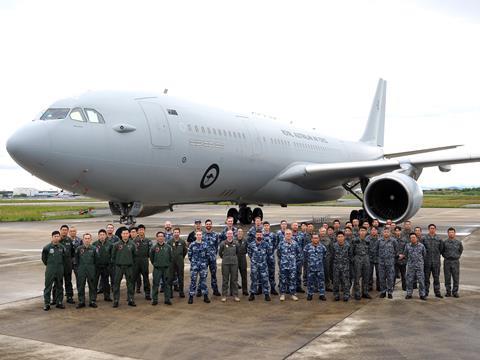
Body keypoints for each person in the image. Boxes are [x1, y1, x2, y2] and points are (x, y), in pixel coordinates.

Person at [111, 228, 136, 307]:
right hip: (119, 267)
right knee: (116, 284)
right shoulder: (116, 245)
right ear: (121, 235)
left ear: (129, 234)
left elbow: (134, 256)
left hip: (129, 267)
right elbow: (113, 256)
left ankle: (131, 299)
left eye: (126, 233)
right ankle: (116, 300)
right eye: (123, 234)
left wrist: (131, 263)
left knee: (130, 284)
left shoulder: (132, 244)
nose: (125, 235)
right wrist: (117, 264)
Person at [42, 231, 66, 310]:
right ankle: (47, 303)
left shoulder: (62, 248)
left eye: (57, 236)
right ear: (52, 237)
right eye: (55, 236)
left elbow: (64, 258)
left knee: (59, 286)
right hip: (50, 269)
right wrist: (50, 265)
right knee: (48, 286)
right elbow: (44, 259)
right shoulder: (47, 248)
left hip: (59, 269)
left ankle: (59, 302)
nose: (56, 238)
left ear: (59, 237)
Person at [247, 230, 272, 301]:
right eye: (257, 235)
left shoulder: (266, 244)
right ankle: (252, 294)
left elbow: (269, 253)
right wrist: (254, 260)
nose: (259, 236)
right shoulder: (251, 244)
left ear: (262, 235)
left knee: (265, 279)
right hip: (254, 265)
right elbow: (250, 253)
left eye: (260, 235)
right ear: (255, 235)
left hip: (263, 265)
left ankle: (266, 294)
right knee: (254, 279)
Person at [53, 225, 75, 304]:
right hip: (58, 265)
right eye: (63, 230)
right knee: (57, 282)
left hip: (67, 265)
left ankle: (69, 297)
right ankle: (55, 298)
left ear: (68, 231)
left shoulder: (69, 240)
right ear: (60, 230)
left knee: (68, 281)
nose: (64, 231)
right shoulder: (56, 240)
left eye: (66, 230)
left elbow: (72, 253)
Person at [75, 233, 98, 308]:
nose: (87, 240)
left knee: (92, 286)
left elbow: (97, 260)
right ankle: (81, 301)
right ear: (83, 239)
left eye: (88, 238)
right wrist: (79, 269)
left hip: (91, 270)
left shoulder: (94, 249)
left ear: (91, 239)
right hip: (81, 270)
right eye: (85, 238)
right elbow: (76, 260)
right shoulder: (79, 249)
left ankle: (92, 300)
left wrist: (93, 269)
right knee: (81, 286)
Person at [150, 231, 173, 305]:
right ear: (157, 238)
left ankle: (167, 299)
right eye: (159, 236)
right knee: (155, 284)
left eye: (162, 236)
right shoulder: (153, 248)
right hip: (157, 269)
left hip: (166, 269)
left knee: (167, 284)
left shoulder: (168, 247)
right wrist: (156, 264)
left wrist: (167, 264)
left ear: (164, 237)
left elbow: (170, 257)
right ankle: (155, 299)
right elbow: (151, 258)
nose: (160, 237)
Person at [277, 229, 300, 301]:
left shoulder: (295, 243)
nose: (288, 235)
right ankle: (282, 294)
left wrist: (293, 260)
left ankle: (292, 294)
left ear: (292, 234)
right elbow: (279, 253)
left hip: (292, 265)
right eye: (287, 234)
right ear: (284, 235)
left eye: (290, 234)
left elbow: (298, 253)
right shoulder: (281, 243)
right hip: (283, 265)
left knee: (292, 279)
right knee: (283, 279)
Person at [187, 231, 210, 304]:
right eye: (197, 235)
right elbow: (190, 255)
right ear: (195, 236)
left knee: (203, 281)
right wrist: (194, 262)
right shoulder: (192, 245)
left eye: (200, 235)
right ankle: (191, 296)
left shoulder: (205, 244)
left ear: (202, 236)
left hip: (203, 265)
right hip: (194, 265)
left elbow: (207, 255)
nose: (199, 236)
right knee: (193, 281)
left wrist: (204, 263)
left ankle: (205, 296)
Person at [303, 234, 327, 301]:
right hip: (311, 268)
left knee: (321, 281)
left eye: (316, 238)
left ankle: (322, 294)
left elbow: (325, 256)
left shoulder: (322, 247)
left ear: (319, 239)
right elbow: (305, 256)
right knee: (310, 281)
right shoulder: (307, 247)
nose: (315, 239)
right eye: (314, 238)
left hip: (320, 268)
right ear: (311, 239)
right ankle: (310, 294)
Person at [423, 224, 444, 298]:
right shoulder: (424, 238)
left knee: (436, 278)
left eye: (433, 228)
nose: (432, 229)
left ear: (435, 229)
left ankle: (437, 292)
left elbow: (441, 249)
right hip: (427, 262)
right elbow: (423, 250)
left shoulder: (439, 239)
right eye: (431, 228)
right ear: (429, 229)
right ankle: (425, 292)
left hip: (436, 262)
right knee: (426, 278)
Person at [404, 233, 427, 300]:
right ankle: (409, 293)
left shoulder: (421, 246)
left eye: (414, 237)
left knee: (421, 281)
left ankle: (422, 294)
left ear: (416, 238)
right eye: (411, 237)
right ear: (410, 239)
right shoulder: (407, 246)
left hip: (419, 266)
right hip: (410, 266)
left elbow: (424, 255)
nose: (413, 239)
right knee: (409, 281)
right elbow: (405, 254)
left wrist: (420, 262)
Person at [377, 228, 398, 299]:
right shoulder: (379, 240)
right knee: (382, 278)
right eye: (385, 232)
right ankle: (383, 292)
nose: (386, 233)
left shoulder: (393, 241)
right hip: (381, 263)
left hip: (390, 263)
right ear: (383, 233)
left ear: (390, 233)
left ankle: (389, 292)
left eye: (387, 232)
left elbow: (396, 250)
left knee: (390, 278)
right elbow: (376, 250)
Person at [218, 230, 240, 302]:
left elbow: (237, 252)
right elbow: (220, 253)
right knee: (225, 280)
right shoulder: (223, 243)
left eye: (231, 234)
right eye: (228, 234)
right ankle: (224, 295)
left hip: (234, 263)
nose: (230, 235)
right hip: (225, 264)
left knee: (234, 280)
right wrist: (225, 258)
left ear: (232, 235)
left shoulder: (236, 243)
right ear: (226, 235)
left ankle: (235, 295)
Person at [442, 227, 463, 297]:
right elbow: (442, 251)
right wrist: (446, 256)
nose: (451, 233)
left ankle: (455, 292)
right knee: (447, 277)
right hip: (447, 261)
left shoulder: (458, 242)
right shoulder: (444, 242)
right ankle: (448, 292)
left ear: (454, 233)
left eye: (452, 232)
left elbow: (461, 250)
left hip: (455, 262)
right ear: (448, 233)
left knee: (456, 277)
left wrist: (457, 256)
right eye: (450, 232)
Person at [93, 229, 113, 302]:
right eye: (100, 235)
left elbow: (112, 255)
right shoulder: (94, 244)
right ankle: (93, 297)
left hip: (106, 266)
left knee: (106, 282)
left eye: (103, 235)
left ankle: (107, 296)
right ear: (98, 236)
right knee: (94, 282)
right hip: (97, 267)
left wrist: (109, 264)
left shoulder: (110, 244)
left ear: (106, 236)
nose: (102, 236)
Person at [133, 224, 152, 300]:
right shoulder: (133, 241)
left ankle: (147, 294)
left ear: (144, 231)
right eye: (140, 230)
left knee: (146, 278)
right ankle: (131, 295)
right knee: (133, 279)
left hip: (144, 261)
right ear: (137, 232)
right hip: (136, 261)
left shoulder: (148, 241)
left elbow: (151, 252)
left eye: (142, 230)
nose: (141, 231)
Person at [168, 227, 188, 298]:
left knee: (180, 277)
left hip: (180, 262)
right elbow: (167, 252)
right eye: (175, 232)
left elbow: (185, 252)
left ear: (179, 233)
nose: (176, 234)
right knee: (170, 277)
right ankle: (170, 292)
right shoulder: (169, 242)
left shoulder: (182, 242)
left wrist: (180, 257)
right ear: (173, 233)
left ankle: (181, 292)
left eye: (177, 232)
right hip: (171, 262)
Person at [332, 231, 352, 301]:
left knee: (346, 281)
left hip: (345, 266)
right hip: (336, 266)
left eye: (341, 237)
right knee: (336, 281)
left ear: (344, 237)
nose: (340, 238)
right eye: (339, 237)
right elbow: (332, 256)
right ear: (336, 238)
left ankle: (346, 295)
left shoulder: (348, 245)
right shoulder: (334, 245)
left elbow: (350, 255)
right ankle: (336, 295)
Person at [352, 227, 371, 300]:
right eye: (361, 231)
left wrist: (367, 258)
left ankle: (365, 292)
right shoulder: (355, 240)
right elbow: (351, 251)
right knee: (357, 277)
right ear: (359, 232)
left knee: (366, 277)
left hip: (366, 259)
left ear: (366, 232)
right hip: (358, 259)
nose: (362, 232)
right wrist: (354, 259)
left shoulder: (368, 241)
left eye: (364, 231)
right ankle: (357, 293)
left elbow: (370, 250)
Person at [203, 219, 221, 296]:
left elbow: (217, 246)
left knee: (213, 274)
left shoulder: (215, 235)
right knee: (203, 275)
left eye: (209, 224)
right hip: (204, 259)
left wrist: (213, 254)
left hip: (212, 258)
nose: (208, 225)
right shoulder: (202, 234)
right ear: (205, 225)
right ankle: (202, 290)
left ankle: (215, 290)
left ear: (211, 225)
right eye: (207, 224)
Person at [262, 221, 279, 295]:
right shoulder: (261, 235)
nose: (266, 227)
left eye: (267, 225)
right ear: (263, 227)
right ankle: (260, 288)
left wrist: (271, 251)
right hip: (262, 257)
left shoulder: (273, 235)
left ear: (269, 226)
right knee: (262, 273)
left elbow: (276, 244)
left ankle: (272, 288)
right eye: (265, 225)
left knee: (271, 273)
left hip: (271, 257)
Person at [291, 222, 305, 293]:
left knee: (299, 273)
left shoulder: (301, 234)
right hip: (290, 258)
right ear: (291, 226)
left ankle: (298, 287)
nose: (295, 226)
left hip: (299, 257)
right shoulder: (288, 234)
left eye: (296, 225)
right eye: (294, 225)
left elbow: (303, 245)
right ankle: (291, 287)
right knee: (291, 273)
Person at [393, 226, 407, 291]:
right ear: (395, 232)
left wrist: (403, 255)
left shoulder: (404, 239)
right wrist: (398, 255)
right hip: (395, 260)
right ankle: (392, 287)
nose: (397, 232)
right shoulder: (392, 240)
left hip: (403, 260)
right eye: (396, 230)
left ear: (400, 231)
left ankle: (404, 287)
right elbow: (391, 249)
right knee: (394, 275)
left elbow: (407, 248)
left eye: (398, 230)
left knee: (404, 275)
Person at [236, 228, 249, 296]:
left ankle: (245, 290)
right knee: (234, 276)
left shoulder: (245, 240)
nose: (240, 233)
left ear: (243, 233)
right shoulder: (234, 240)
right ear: (237, 233)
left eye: (241, 231)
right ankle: (234, 290)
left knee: (244, 276)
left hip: (243, 259)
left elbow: (247, 249)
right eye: (239, 231)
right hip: (235, 259)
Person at [367, 226, 380, 291]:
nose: (373, 231)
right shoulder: (367, 238)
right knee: (369, 273)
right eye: (372, 230)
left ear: (377, 231)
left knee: (379, 273)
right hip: (370, 259)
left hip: (378, 259)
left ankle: (379, 286)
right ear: (370, 231)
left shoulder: (380, 238)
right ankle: (369, 286)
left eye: (375, 230)